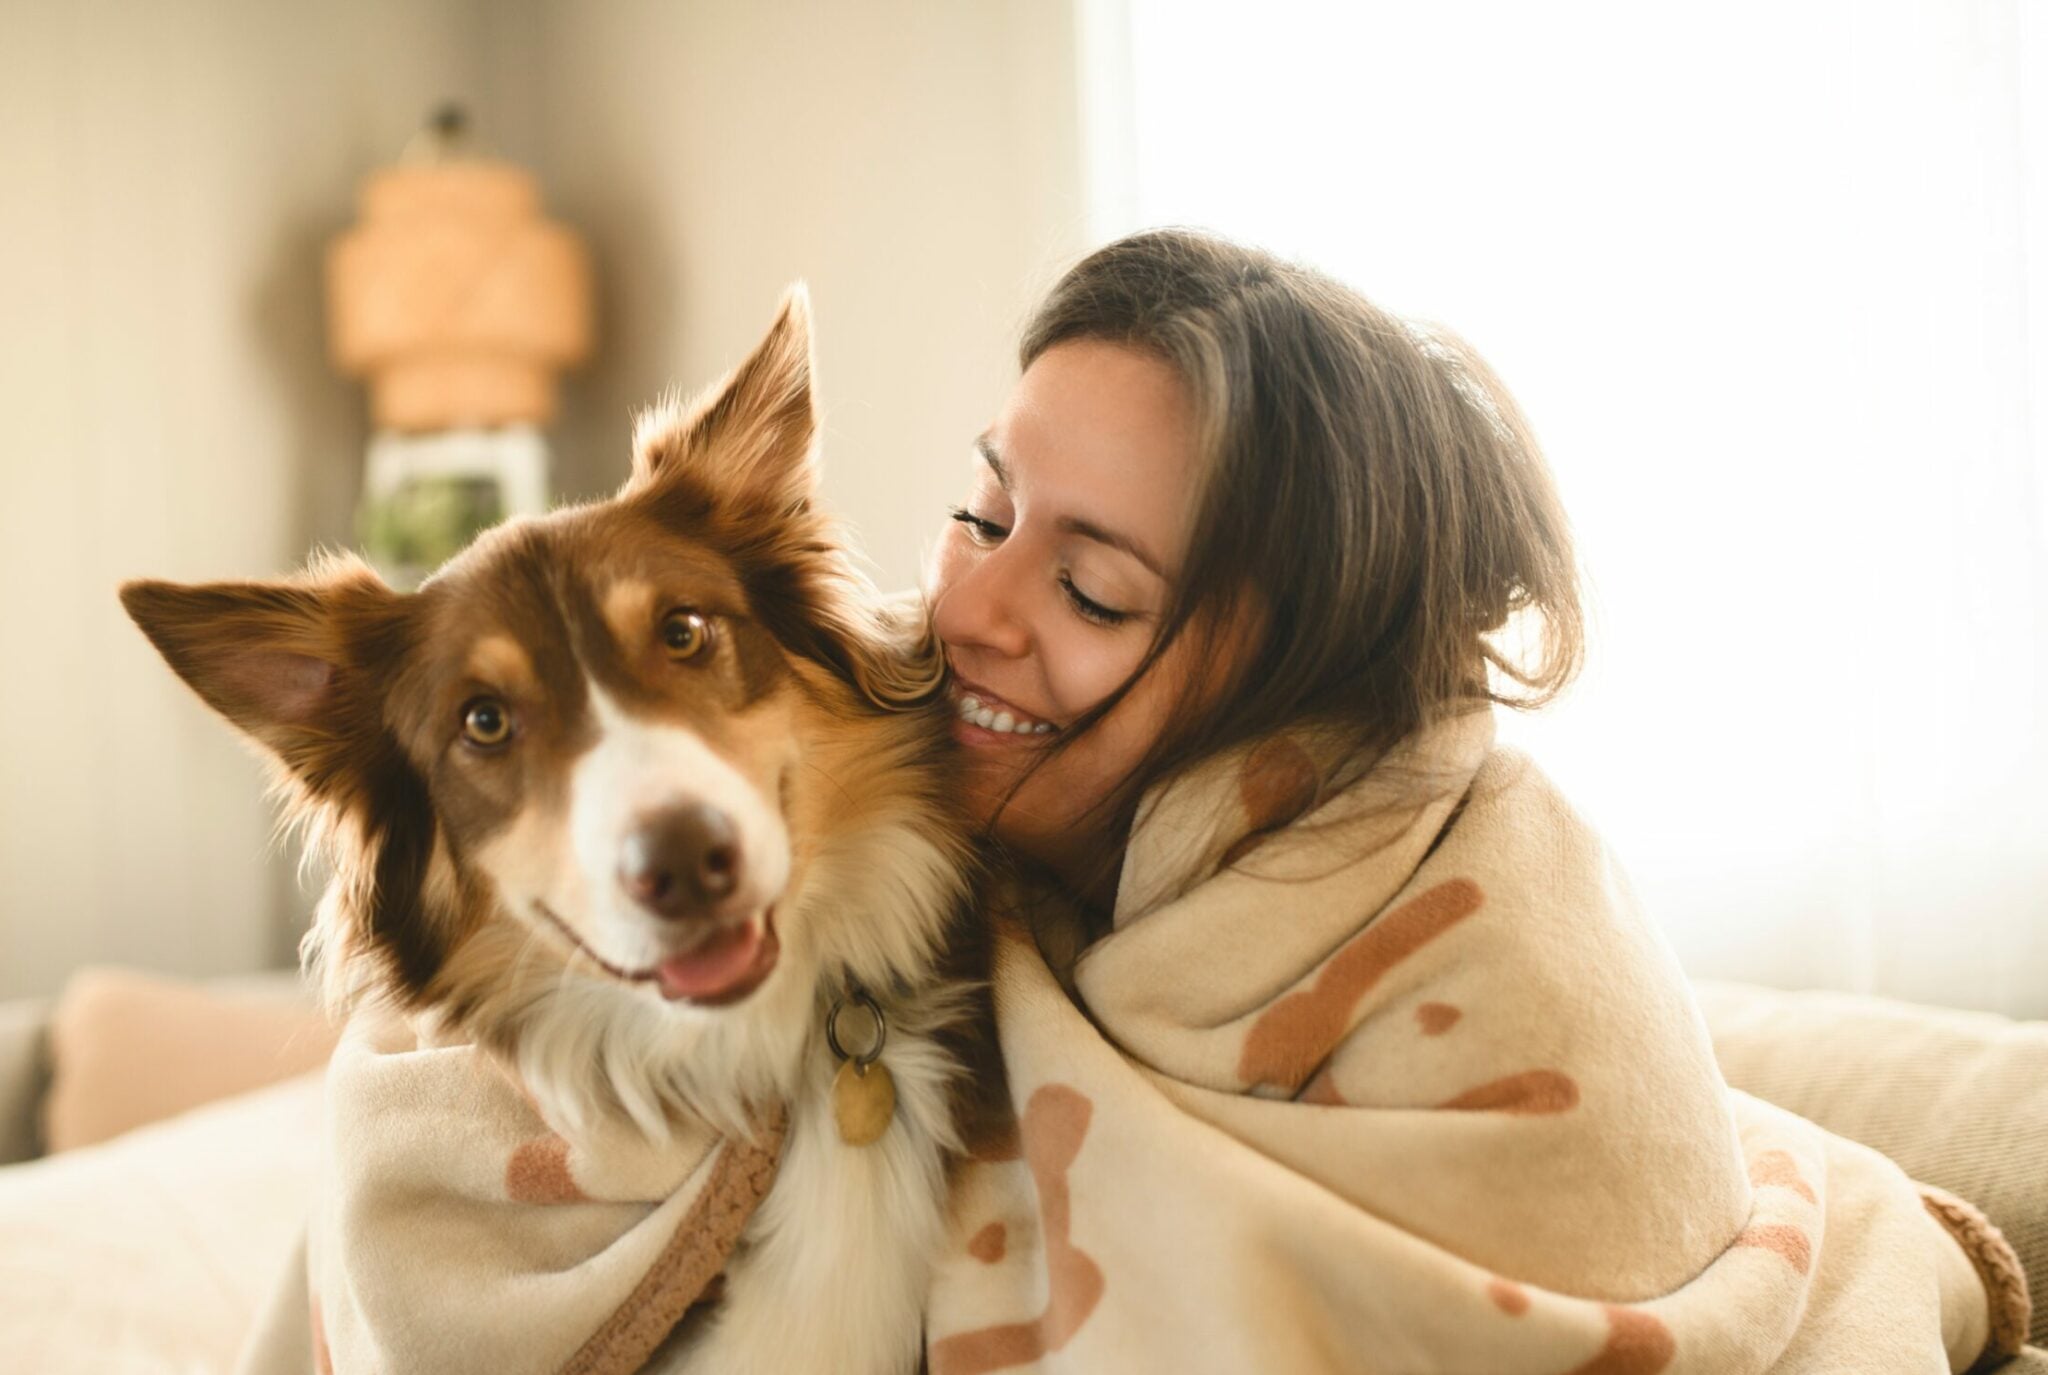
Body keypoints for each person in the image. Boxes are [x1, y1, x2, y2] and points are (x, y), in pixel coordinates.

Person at [917, 229, 2027, 1374]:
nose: (963, 614)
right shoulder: (886, 797)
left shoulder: (1511, 955)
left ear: (1293, 680)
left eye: (1092, 594)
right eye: (982, 517)